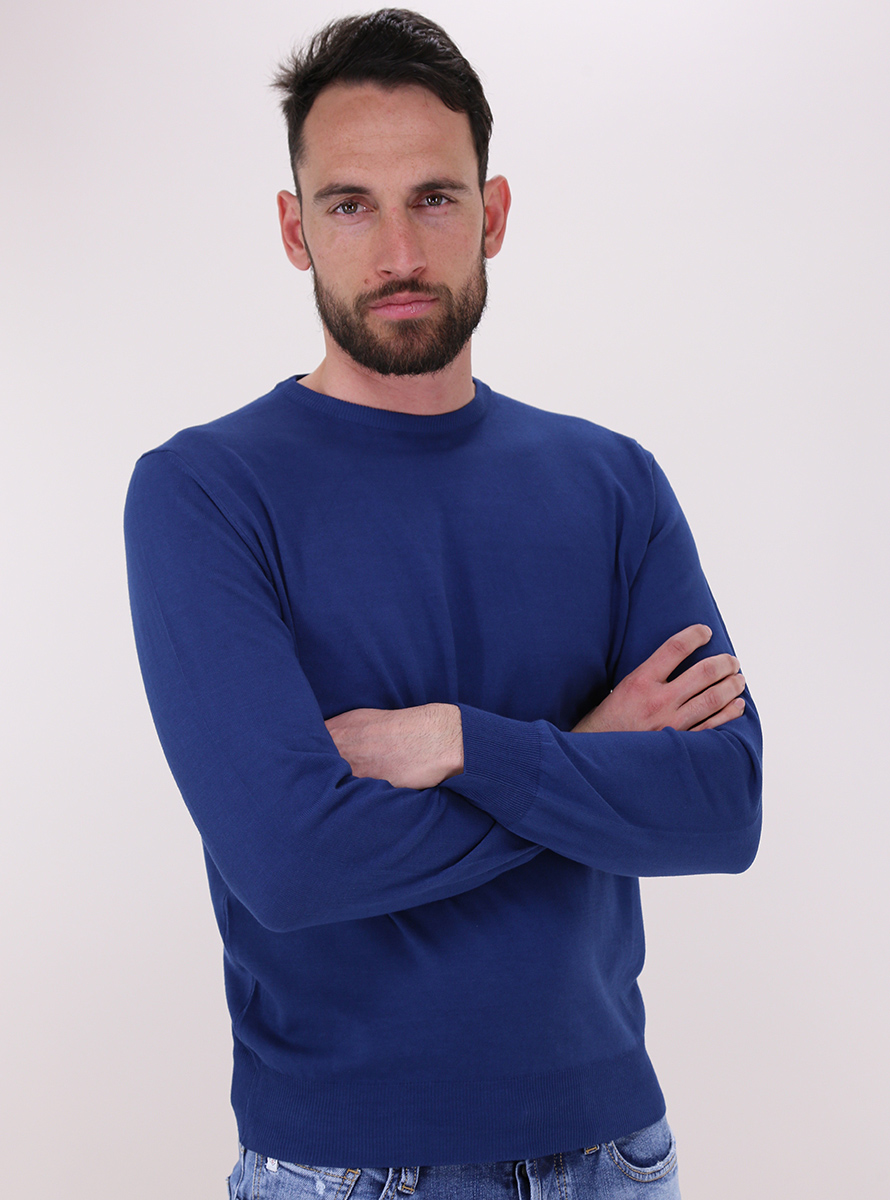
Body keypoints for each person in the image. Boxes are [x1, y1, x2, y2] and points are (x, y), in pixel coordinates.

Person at [124, 9, 762, 1198]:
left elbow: (721, 809)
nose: (398, 251)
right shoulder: (205, 492)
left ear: (493, 213)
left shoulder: (610, 480)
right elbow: (292, 865)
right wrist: (587, 754)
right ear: (293, 229)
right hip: (350, 1165)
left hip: (615, 1154)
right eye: (348, 205)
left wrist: (460, 742)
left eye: (433, 198)